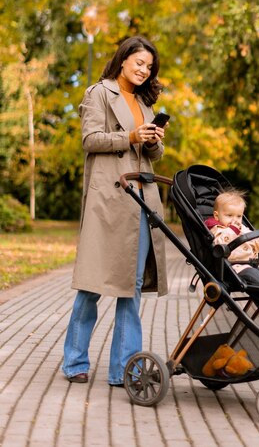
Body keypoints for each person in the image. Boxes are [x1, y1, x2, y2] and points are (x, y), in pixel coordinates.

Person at [62, 36, 169, 386]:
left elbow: (152, 155)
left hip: (141, 201)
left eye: (149, 67)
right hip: (108, 201)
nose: (143, 70)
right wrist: (131, 137)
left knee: (132, 287)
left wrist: (152, 141)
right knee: (92, 284)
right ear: (123, 60)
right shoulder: (99, 93)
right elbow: (90, 140)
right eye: (139, 62)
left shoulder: (144, 102)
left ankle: (123, 369)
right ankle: (74, 361)